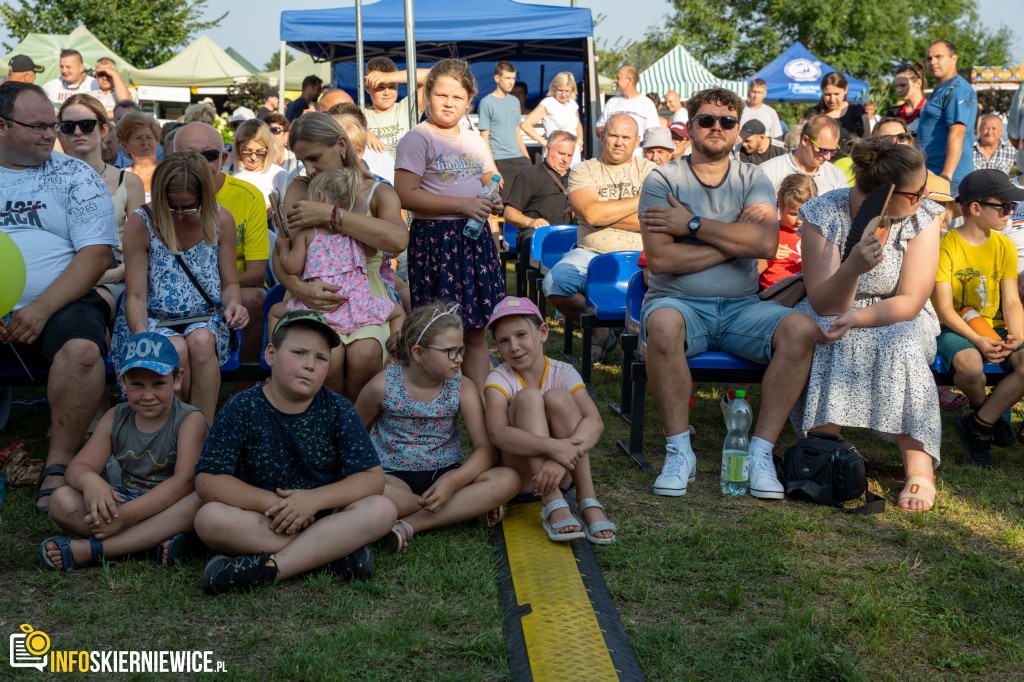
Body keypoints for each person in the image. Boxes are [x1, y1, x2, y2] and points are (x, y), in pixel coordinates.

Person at [639, 87, 816, 500]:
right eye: (706, 120)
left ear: (738, 129)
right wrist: (734, 236)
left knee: (801, 329)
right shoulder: (663, 178)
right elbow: (662, 260)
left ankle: (759, 453)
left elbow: (765, 247)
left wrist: (694, 226)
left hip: (742, 308)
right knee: (663, 325)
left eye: (727, 121)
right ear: (689, 126)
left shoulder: (753, 177)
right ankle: (679, 452)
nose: (717, 127)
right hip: (679, 304)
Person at [193, 309, 397, 594]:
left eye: (320, 358)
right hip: (267, 517)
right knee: (209, 519)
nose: (309, 365)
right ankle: (335, 552)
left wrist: (313, 500)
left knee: (382, 509)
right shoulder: (242, 407)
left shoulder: (338, 409)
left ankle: (272, 569)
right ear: (271, 354)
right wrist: (282, 506)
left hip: (326, 514)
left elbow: (372, 478)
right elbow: (209, 481)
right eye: (299, 353)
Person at [795, 137, 944, 511]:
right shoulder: (824, 213)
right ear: (883, 194)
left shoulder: (923, 217)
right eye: (916, 192)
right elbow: (825, 302)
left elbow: (911, 301)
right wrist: (852, 270)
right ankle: (822, 450)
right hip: (832, 305)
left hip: (898, 311)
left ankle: (919, 469)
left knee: (902, 344)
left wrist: (855, 318)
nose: (924, 196)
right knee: (829, 337)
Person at [0, 82, 118, 513]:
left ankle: (59, 464)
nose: (52, 134)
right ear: (1, 126)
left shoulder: (74, 174)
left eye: (54, 125)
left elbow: (97, 254)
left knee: (84, 351)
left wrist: (41, 308)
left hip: (61, 301)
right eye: (38, 126)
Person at [354, 302, 519, 552]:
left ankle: (410, 524)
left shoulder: (462, 387)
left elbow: (486, 449)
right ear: (419, 353)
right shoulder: (383, 385)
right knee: (365, 491)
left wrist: (452, 483)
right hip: (393, 477)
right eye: (450, 351)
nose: (460, 358)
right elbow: (354, 436)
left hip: (446, 473)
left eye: (461, 349)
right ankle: (462, 509)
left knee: (507, 479)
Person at [39, 332, 207, 570]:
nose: (148, 395)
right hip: (127, 500)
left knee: (200, 500)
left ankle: (99, 550)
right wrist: (91, 482)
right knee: (60, 500)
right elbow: (78, 468)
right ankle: (152, 540)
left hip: (171, 506)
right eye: (137, 384)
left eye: (159, 383)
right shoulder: (115, 416)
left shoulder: (190, 419)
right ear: (123, 381)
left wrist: (122, 518)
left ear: (177, 378)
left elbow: (184, 482)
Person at [277, 112, 408, 397]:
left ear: (340, 145)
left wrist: (332, 215)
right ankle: (329, 423)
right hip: (311, 291)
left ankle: (359, 426)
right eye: (302, 161)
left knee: (365, 354)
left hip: (367, 293)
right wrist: (301, 288)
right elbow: (282, 255)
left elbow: (398, 240)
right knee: (328, 357)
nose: (309, 169)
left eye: (314, 158)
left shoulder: (376, 191)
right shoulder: (302, 189)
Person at [112, 151, 248, 425]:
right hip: (152, 317)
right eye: (173, 207)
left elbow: (230, 282)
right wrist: (141, 336)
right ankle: (174, 430)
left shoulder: (221, 219)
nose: (181, 215)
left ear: (205, 198)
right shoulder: (142, 222)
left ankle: (201, 429)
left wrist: (235, 304)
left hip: (204, 315)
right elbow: (136, 295)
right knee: (176, 348)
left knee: (200, 341)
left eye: (190, 207)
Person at [395, 59, 506, 390]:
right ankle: (437, 403)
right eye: (441, 95)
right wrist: (463, 204)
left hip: (474, 241)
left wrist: (494, 199)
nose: (448, 103)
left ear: (469, 101)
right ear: (427, 96)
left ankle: (484, 407)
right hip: (436, 242)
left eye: (457, 98)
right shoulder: (418, 138)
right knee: (438, 329)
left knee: (475, 329)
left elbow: (491, 180)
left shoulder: (473, 140)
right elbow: (405, 194)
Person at [483, 297, 617, 544]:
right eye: (504, 340)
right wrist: (553, 448)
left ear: (543, 332)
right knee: (529, 398)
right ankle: (553, 502)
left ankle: (588, 500)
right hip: (523, 479)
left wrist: (561, 459)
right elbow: (498, 433)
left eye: (521, 335)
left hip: (562, 472)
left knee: (559, 398)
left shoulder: (563, 371)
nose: (514, 347)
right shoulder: (499, 378)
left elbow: (594, 421)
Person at [544, 113, 655, 364]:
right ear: (602, 135)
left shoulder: (650, 171)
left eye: (626, 137)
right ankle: (601, 329)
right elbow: (592, 213)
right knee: (555, 284)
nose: (619, 142)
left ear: (636, 141)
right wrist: (639, 203)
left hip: (641, 255)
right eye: (613, 135)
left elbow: (654, 220)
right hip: (589, 253)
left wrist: (596, 215)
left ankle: (642, 339)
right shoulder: (584, 169)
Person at [933, 170, 1024, 467]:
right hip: (954, 328)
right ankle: (990, 418)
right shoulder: (946, 246)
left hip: (992, 327)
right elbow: (945, 309)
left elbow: (1011, 300)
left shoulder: (1005, 246)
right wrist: (978, 340)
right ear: (975, 208)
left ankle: (979, 425)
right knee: (971, 367)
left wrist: (1017, 335)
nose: (1011, 211)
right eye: (1005, 206)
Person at [175, 122, 269, 368]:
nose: (199, 164)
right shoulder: (167, 198)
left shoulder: (249, 196)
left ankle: (245, 384)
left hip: (233, 287)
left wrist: (215, 288)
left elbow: (257, 274)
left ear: (224, 158)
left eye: (208, 156)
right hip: (183, 289)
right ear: (173, 159)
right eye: (189, 156)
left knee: (254, 299)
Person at [57, 94, 145, 319]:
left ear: (104, 129)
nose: (77, 132)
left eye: (86, 125)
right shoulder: (51, 182)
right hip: (59, 276)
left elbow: (142, 248)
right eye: (68, 126)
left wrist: (112, 275)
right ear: (61, 133)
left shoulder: (128, 182)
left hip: (110, 278)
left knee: (88, 312)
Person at [502, 130, 576, 283]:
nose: (565, 160)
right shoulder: (529, 174)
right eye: (561, 153)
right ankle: (527, 299)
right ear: (547, 149)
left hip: (570, 233)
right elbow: (509, 212)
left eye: (569, 155)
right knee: (530, 240)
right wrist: (531, 223)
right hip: (538, 234)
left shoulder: (577, 177)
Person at [918, 40, 977, 192]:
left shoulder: (957, 89)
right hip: (931, 174)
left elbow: (957, 132)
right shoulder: (940, 89)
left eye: (939, 57)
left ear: (954, 58)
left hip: (949, 179)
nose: (933, 62)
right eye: (929, 58)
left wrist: (946, 175)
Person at [478, 61, 531, 202]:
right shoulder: (486, 102)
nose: (511, 82)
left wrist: (527, 159)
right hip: (499, 160)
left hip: (520, 159)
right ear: (497, 78)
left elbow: (517, 132)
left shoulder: (514, 101)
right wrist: (493, 169)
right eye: (507, 78)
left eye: (513, 78)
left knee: (525, 202)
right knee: (504, 204)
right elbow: (484, 138)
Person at [759, 115, 848, 195]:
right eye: (823, 150)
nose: (828, 157)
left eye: (832, 151)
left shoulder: (837, 175)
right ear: (805, 140)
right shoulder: (768, 171)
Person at [758, 173, 817, 290]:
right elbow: (748, 272)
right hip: (771, 295)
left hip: (802, 294)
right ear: (779, 204)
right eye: (794, 214)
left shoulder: (814, 234)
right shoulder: (768, 231)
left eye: (806, 214)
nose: (799, 220)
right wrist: (768, 257)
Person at [362, 57, 429, 159]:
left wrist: (390, 77)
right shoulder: (360, 116)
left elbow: (435, 76)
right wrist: (362, 131)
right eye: (380, 87)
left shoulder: (406, 108)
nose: (387, 93)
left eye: (392, 86)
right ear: (367, 88)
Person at [519, 71, 584, 167]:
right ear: (554, 87)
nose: (563, 95)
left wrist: (580, 140)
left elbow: (578, 124)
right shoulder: (548, 103)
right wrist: (544, 142)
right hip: (555, 154)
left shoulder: (572, 103)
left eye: (567, 91)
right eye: (560, 90)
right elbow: (526, 125)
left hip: (573, 154)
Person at [595, 66, 660, 152]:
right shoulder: (612, 102)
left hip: (637, 160)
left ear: (629, 80)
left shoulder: (647, 104)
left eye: (618, 78)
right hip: (612, 161)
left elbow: (653, 135)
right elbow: (599, 129)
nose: (615, 80)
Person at [802, 72, 867, 158]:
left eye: (836, 94)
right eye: (827, 94)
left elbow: (866, 144)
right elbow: (803, 144)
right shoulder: (812, 113)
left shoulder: (857, 111)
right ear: (822, 91)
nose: (832, 99)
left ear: (845, 90)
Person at [227, 119, 288, 208]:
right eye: (247, 151)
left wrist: (276, 208)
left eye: (259, 152)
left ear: (268, 149)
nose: (253, 157)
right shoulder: (227, 173)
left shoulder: (280, 175)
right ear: (237, 147)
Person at [117, 111, 161, 200]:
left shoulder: (170, 172)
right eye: (138, 138)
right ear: (125, 146)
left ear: (156, 142)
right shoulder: (119, 179)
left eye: (149, 137)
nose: (145, 143)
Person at [887, 64, 927, 128]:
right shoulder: (893, 113)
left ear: (918, 83)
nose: (898, 90)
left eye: (903, 85)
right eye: (896, 86)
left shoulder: (932, 110)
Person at [265, 112, 299, 179]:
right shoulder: (258, 161)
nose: (271, 135)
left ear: (286, 136)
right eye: (267, 131)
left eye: (275, 130)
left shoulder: (295, 161)